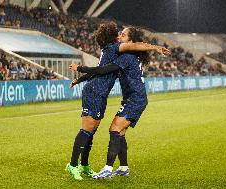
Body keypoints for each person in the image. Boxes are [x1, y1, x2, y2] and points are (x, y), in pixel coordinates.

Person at [66, 22, 170, 180]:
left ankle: (101, 167)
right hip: (105, 94)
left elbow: (105, 67)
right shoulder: (118, 51)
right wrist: (80, 76)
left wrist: (155, 47)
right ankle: (85, 166)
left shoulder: (124, 55)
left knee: (110, 130)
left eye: (123, 34)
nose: (119, 36)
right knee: (105, 131)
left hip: (127, 98)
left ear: (129, 41)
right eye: (118, 33)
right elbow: (102, 69)